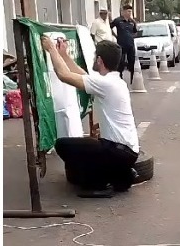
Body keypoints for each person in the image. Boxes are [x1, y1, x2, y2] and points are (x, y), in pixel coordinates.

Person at [41, 37, 139, 197]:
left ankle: (101, 183)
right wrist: (64, 55)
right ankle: (121, 175)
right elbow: (82, 75)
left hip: (118, 152)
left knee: (62, 145)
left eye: (95, 57)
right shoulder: (114, 81)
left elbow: (64, 75)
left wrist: (51, 49)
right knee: (90, 146)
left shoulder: (107, 84)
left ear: (99, 60)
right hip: (127, 152)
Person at [110, 5, 137, 83]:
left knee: (132, 61)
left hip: (130, 45)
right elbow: (109, 27)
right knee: (120, 62)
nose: (129, 13)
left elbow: (135, 32)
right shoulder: (118, 20)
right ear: (124, 12)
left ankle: (132, 78)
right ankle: (120, 77)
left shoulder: (132, 22)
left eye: (130, 12)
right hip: (121, 44)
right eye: (128, 11)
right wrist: (115, 36)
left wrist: (131, 37)